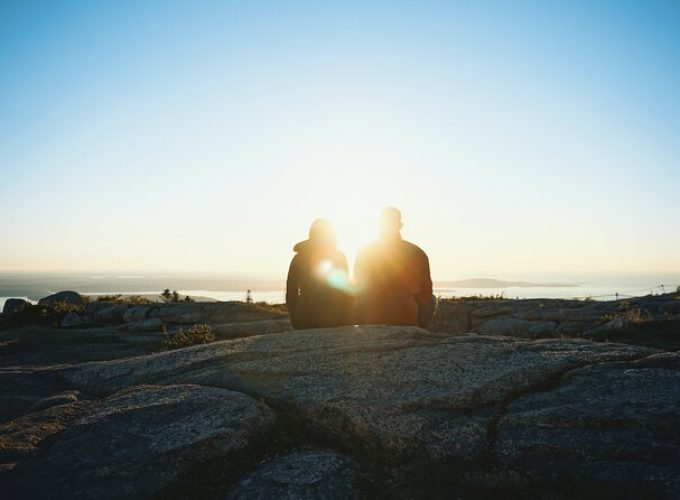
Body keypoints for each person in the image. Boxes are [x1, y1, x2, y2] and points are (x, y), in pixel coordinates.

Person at [354, 207, 434, 327]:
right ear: (400, 226)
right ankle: (420, 330)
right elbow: (426, 292)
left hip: (373, 318)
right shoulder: (417, 253)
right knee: (431, 300)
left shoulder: (365, 252)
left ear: (379, 224)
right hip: (407, 318)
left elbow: (357, 287)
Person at [286, 218, 353, 329]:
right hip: (335, 319)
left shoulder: (298, 258)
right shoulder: (339, 256)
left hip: (306, 319)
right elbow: (346, 292)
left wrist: (296, 317)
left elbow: (291, 293)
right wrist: (347, 319)